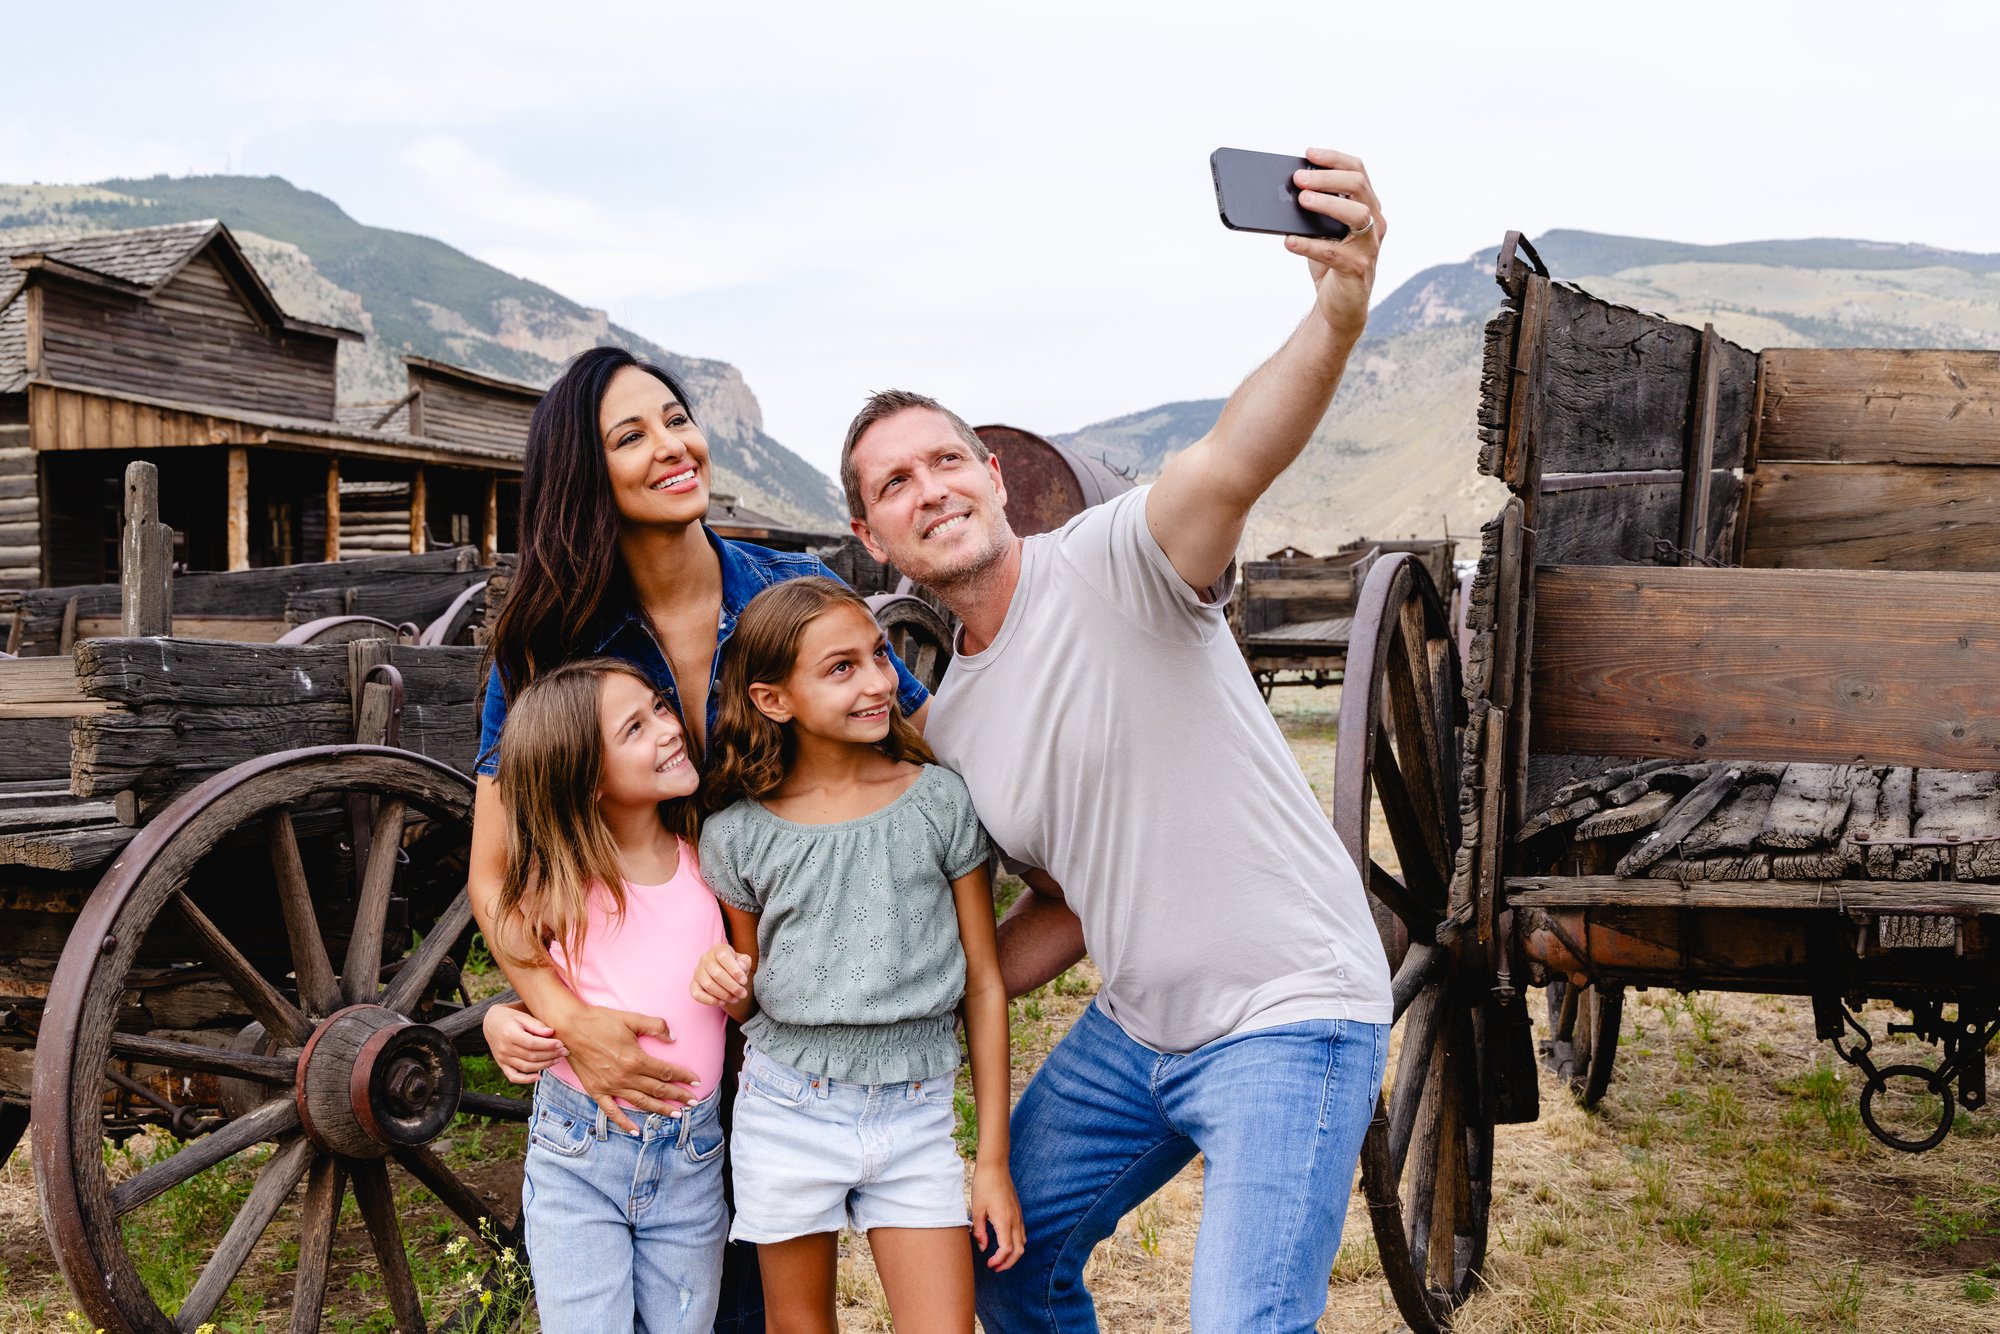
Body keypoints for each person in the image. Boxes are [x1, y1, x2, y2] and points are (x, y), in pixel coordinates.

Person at [838, 147, 1393, 1332]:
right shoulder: (952, 724)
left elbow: (1234, 453)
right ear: (871, 535)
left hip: (1288, 1009)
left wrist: (1338, 311)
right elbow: (1067, 899)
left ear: (992, 479)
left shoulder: (1116, 561)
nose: (929, 487)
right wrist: (926, 992)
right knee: (1001, 1265)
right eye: (895, 482)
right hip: (1139, 1027)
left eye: (946, 460)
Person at [467, 344, 932, 1332]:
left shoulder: (789, 593)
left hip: (791, 1027)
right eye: (630, 435)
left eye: (676, 417)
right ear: (583, 475)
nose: (672, 444)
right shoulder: (550, 643)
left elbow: (913, 751)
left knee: (758, 1311)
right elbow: (496, 871)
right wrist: (564, 1016)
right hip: (639, 1049)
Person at [690, 576, 1023, 1334]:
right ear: (775, 700)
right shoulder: (738, 835)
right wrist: (723, 980)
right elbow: (749, 998)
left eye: (878, 655)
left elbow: (983, 982)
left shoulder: (939, 802)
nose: (878, 681)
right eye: (841, 668)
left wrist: (992, 1161)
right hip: (786, 1111)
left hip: (914, 1118)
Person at [489, 658, 727, 1331]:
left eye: (658, 706)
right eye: (634, 728)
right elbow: (536, 983)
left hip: (692, 1156)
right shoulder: (556, 883)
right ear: (587, 779)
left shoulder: (710, 860)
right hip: (580, 1154)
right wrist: (499, 1022)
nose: (667, 727)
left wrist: (732, 981)